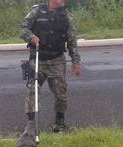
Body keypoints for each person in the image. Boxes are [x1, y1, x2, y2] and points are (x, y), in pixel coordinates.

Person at [20, 0, 81, 132]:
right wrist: (30, 37)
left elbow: (72, 41)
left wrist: (75, 61)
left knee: (61, 94)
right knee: (32, 91)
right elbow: (23, 29)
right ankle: (31, 125)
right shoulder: (36, 12)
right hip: (37, 59)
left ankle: (59, 124)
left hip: (57, 60)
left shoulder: (66, 17)